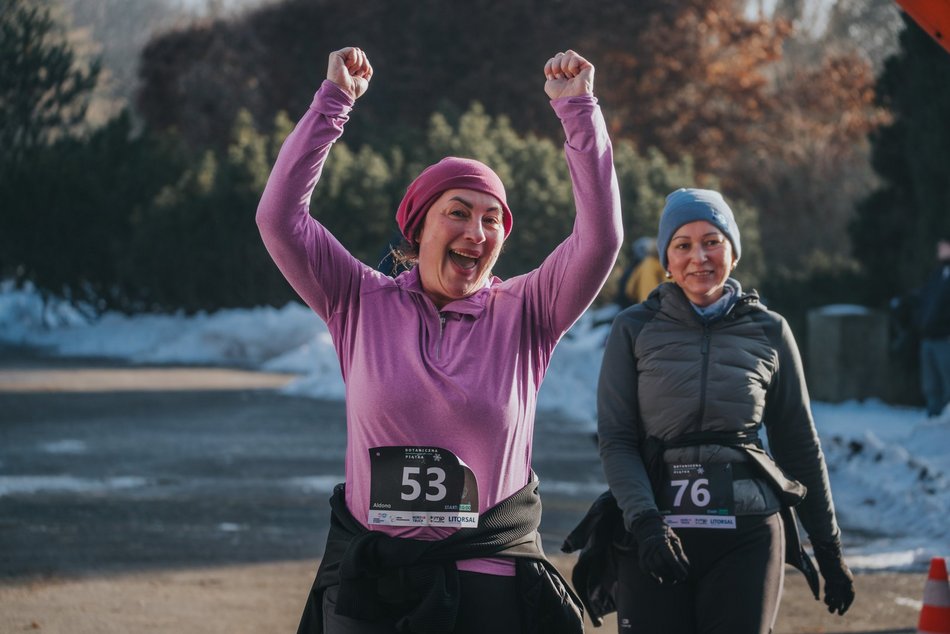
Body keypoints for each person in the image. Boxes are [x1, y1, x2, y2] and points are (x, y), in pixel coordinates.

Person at [256, 46, 622, 633]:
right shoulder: (358, 300)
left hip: (488, 581)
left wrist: (579, 109)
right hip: (374, 582)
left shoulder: (528, 311)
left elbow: (599, 239)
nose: (477, 232)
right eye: (458, 212)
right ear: (420, 224)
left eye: (492, 220)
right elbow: (279, 218)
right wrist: (334, 102)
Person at [564, 188, 854, 633]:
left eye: (712, 241)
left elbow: (798, 444)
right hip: (654, 535)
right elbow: (618, 440)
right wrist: (645, 524)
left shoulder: (769, 331)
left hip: (748, 535)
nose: (699, 257)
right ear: (667, 259)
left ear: (732, 252)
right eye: (683, 245)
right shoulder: (634, 328)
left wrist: (829, 551)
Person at [916, 237, 950, 417]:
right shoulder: (937, 274)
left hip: (945, 339)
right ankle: (932, 428)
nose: (939, 249)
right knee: (931, 388)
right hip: (929, 338)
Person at [622, 237, 665, 305]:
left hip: (645, 306)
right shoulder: (667, 266)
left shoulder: (642, 265)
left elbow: (630, 290)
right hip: (663, 306)